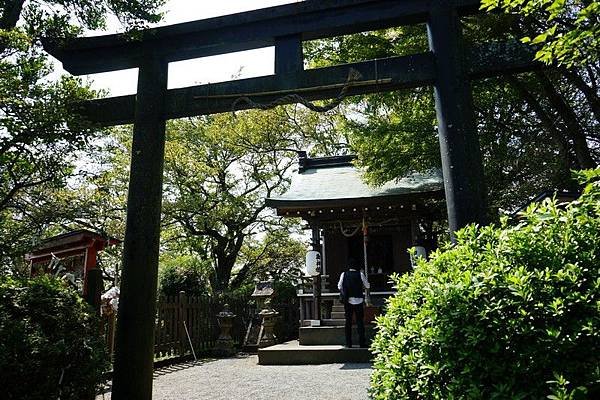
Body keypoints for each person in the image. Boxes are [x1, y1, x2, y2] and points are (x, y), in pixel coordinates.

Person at [338, 257, 370, 348]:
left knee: (348, 323)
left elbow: (339, 286)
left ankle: (349, 343)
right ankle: (362, 343)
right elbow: (367, 285)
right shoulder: (360, 274)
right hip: (359, 300)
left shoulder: (344, 274)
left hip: (347, 301)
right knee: (360, 322)